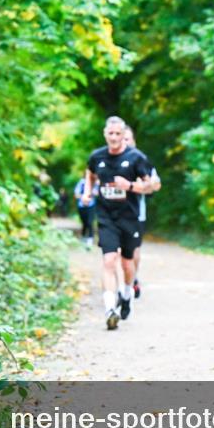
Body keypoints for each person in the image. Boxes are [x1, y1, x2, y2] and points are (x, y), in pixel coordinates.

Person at [82, 117, 156, 330]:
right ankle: (109, 309)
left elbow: (149, 185)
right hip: (106, 217)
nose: (114, 138)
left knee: (126, 263)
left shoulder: (136, 158)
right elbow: (90, 174)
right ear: (105, 134)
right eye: (110, 134)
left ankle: (126, 293)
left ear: (124, 135)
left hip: (129, 217)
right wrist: (88, 193)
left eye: (117, 134)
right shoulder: (97, 156)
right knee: (108, 260)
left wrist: (130, 185)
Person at [122, 126, 162, 298]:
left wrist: (142, 186)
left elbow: (155, 185)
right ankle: (121, 284)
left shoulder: (141, 160)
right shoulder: (108, 158)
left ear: (134, 141)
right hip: (111, 214)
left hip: (136, 214)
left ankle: (132, 279)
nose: (124, 142)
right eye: (121, 138)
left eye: (127, 138)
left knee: (134, 252)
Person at [74, 176, 97, 248]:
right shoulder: (81, 182)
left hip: (91, 205)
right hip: (82, 206)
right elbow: (76, 194)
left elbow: (97, 192)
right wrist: (84, 196)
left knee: (90, 222)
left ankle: (90, 239)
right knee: (85, 223)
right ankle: (83, 238)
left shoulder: (94, 183)